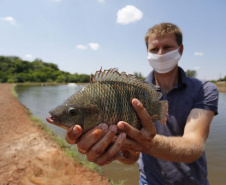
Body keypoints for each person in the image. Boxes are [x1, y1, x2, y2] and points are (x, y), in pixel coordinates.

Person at [65, 23, 219, 185]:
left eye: (167, 47)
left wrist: (148, 143)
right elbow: (131, 157)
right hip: (149, 181)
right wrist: (114, 145)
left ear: (180, 50)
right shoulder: (132, 92)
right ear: (147, 53)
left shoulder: (204, 89)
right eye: (154, 49)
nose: (160, 53)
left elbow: (194, 146)